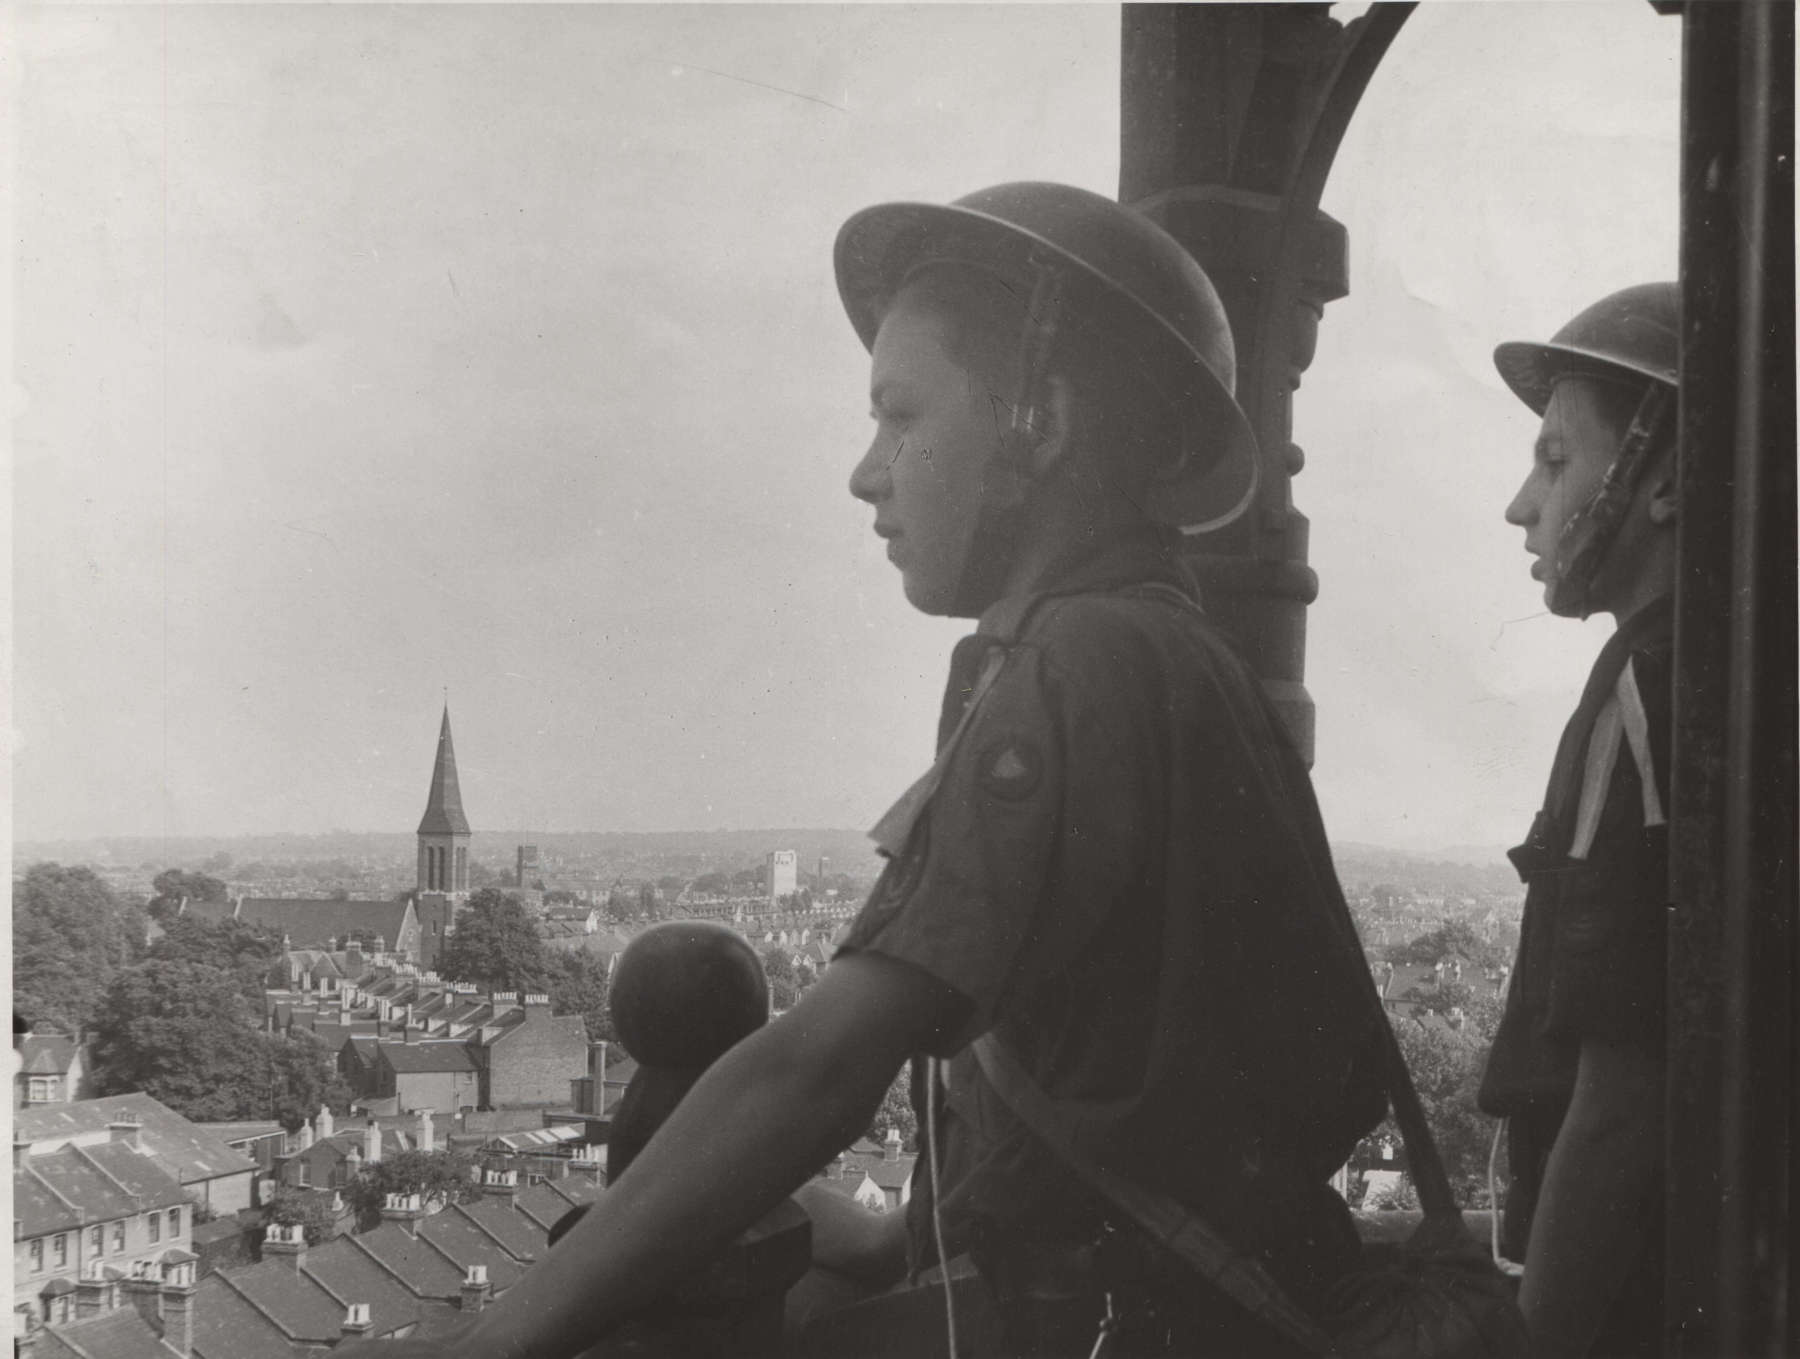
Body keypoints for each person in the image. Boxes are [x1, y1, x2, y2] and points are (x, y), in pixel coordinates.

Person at [337, 182, 1385, 1359]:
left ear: (1041, 417)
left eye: (901, 414)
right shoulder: (1158, 645)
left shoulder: (1080, 664)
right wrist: (893, 1240)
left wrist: (483, 1343)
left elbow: (818, 1066)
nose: (868, 471)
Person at [1476, 282, 1680, 1359]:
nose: (1524, 504)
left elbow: (1619, 1101)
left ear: (1669, 480)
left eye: (1557, 461)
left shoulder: (1645, 682)